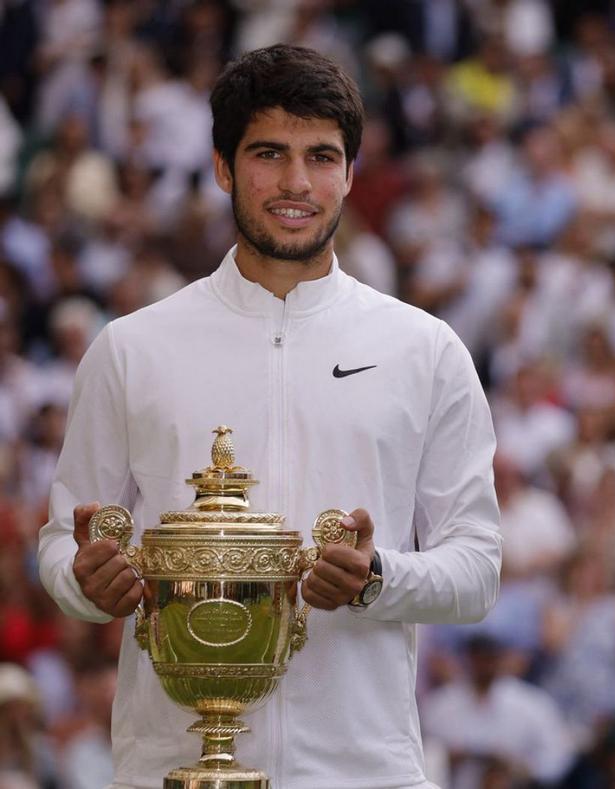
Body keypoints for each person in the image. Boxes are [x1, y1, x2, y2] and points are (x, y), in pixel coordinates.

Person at [37, 45, 502, 789]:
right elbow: (64, 544)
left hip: (363, 771)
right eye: (269, 154)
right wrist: (85, 583)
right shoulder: (132, 347)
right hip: (170, 767)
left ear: (350, 173)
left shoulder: (425, 349)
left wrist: (375, 577)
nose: (296, 183)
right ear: (223, 167)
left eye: (322, 156)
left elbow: (478, 567)